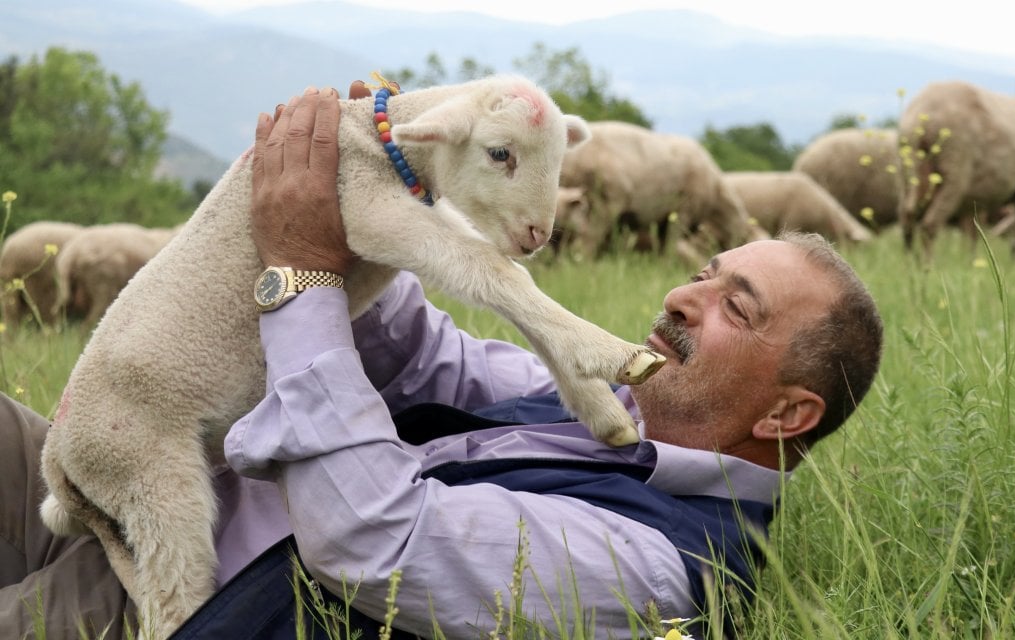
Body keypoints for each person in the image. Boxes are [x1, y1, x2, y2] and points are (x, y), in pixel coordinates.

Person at [0, 84, 882, 640]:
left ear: (786, 415)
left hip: (167, 589)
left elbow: (374, 540)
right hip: (162, 467)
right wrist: (374, 197)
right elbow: (429, 361)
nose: (686, 297)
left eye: (736, 307)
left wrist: (300, 272)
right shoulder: (599, 409)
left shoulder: (656, 566)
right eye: (704, 272)